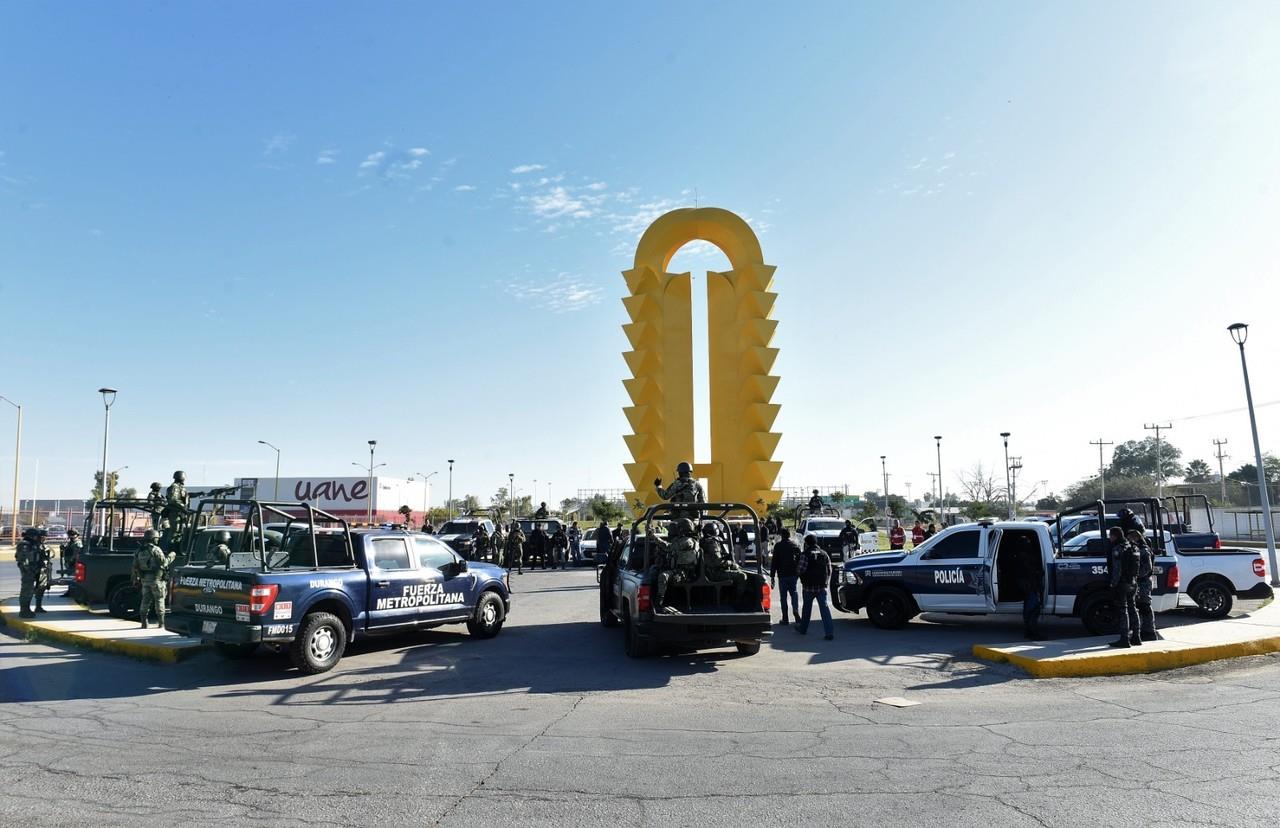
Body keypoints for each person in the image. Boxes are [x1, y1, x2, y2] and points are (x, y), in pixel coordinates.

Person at [132, 528, 175, 629]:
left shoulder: (139, 551)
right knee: (159, 600)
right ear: (153, 539)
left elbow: (135, 566)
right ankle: (161, 623)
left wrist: (135, 579)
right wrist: (171, 556)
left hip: (145, 580)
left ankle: (144, 623)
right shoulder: (155, 549)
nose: (158, 540)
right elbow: (163, 563)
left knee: (145, 601)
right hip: (157, 579)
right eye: (156, 538)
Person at [1106, 526, 1141, 648]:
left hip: (1122, 583)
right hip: (1133, 582)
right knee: (1133, 608)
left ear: (1115, 536)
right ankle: (1137, 637)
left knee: (1123, 610)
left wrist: (1113, 584)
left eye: (1110, 535)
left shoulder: (1118, 549)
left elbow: (1117, 569)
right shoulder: (1133, 547)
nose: (1109, 538)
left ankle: (1124, 639)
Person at [795, 535, 834, 640]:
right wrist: (825, 582)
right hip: (821, 587)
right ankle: (829, 632)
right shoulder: (824, 554)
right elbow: (829, 570)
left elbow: (800, 570)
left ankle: (803, 629)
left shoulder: (805, 554)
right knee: (825, 609)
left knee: (806, 609)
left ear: (807, 543)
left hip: (808, 587)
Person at [1129, 529, 1161, 641]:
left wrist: (1136, 576)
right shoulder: (1139, 549)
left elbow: (1147, 568)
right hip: (1140, 581)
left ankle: (1149, 631)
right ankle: (1144, 630)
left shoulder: (1144, 550)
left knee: (1145, 606)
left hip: (1143, 582)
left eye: (1131, 538)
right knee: (1140, 606)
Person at [16, 528, 52, 618]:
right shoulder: (24, 544)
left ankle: (36, 607)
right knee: (27, 589)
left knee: (39, 587)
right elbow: (23, 559)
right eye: (37, 536)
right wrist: (28, 569)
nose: (38, 537)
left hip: (36, 569)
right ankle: (24, 610)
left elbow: (48, 554)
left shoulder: (36, 544)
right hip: (29, 571)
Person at [1014, 533, 1044, 639]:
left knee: (1028, 608)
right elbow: (1030, 571)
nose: (1029, 544)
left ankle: (1028, 632)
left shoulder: (1019, 555)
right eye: (1027, 542)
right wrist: (1038, 574)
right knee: (1033, 609)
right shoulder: (1024, 556)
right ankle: (1032, 633)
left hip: (1027, 584)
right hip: (1029, 584)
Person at [769, 528, 801, 625]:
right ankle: (795, 610)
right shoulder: (794, 545)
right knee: (794, 593)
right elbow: (800, 559)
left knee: (783, 597)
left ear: (782, 536)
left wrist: (772, 576)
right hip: (793, 574)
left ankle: (785, 618)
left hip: (782, 574)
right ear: (789, 535)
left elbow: (774, 561)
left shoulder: (778, 546)